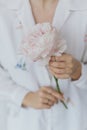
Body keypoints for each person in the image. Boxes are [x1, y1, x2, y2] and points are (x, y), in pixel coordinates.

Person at [0, 0, 87, 130]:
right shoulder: (4, 11)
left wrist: (79, 72)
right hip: (25, 122)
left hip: (75, 121)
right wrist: (24, 96)